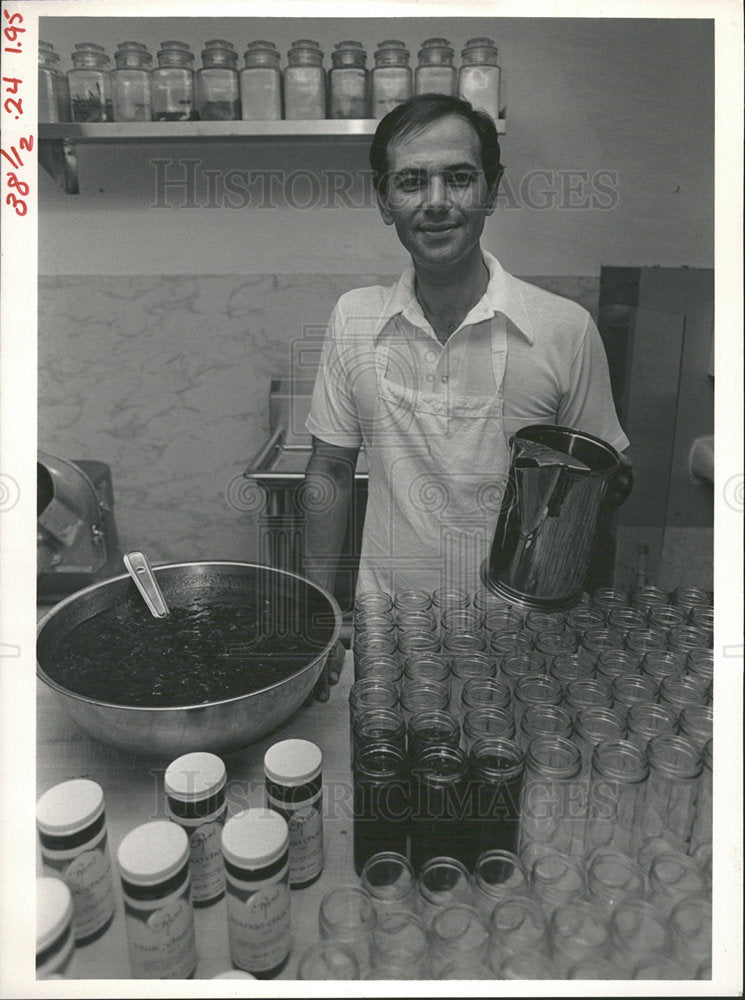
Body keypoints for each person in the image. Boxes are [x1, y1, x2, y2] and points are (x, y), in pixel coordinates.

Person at [303, 93, 631, 695]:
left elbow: (601, 492)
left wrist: (585, 628)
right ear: (383, 200)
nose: (435, 203)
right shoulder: (354, 317)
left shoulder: (563, 330)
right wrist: (316, 618)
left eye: (458, 178)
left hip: (525, 647)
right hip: (388, 634)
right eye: (410, 181)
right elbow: (328, 468)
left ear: (491, 190)